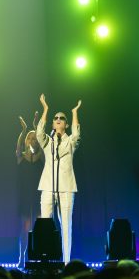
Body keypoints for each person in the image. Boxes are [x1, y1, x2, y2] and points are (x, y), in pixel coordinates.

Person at [36, 94, 81, 264]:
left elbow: (77, 134)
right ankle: (44, 259)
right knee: (45, 223)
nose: (58, 119)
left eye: (62, 118)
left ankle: (67, 262)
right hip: (48, 185)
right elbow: (39, 132)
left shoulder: (70, 141)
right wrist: (45, 109)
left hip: (67, 187)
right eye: (56, 118)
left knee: (66, 226)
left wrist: (74, 112)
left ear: (66, 123)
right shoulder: (48, 141)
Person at [16, 112, 43, 263]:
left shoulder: (40, 156)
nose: (32, 140)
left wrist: (35, 127)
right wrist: (24, 130)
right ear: (26, 141)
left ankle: (39, 255)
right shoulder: (21, 156)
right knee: (25, 228)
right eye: (30, 138)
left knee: (40, 226)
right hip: (25, 195)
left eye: (34, 138)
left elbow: (43, 142)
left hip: (39, 194)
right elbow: (19, 146)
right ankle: (22, 256)